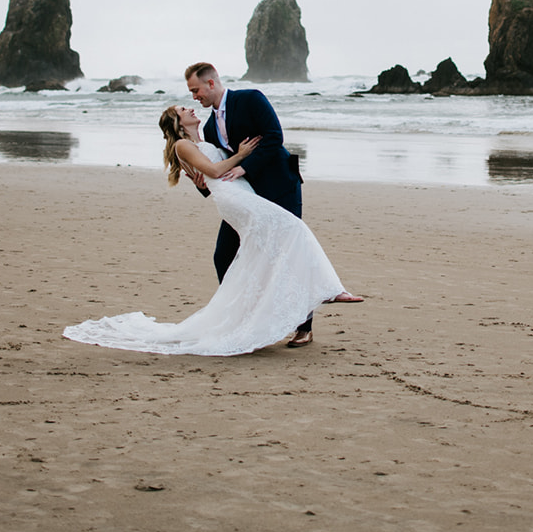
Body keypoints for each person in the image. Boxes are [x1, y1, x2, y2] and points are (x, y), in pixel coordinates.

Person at [60, 105, 360, 355]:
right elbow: (216, 172)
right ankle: (329, 291)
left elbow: (210, 172)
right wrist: (243, 155)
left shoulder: (204, 139)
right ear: (177, 123)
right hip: (235, 198)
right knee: (294, 230)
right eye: (183, 109)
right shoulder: (182, 145)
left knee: (267, 249)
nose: (191, 107)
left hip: (243, 195)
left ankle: (281, 309)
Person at [183, 61, 360, 345]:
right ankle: (239, 318)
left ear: (211, 83)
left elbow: (275, 137)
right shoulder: (210, 128)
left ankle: (305, 326)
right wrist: (202, 184)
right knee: (223, 254)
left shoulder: (250, 99)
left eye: (196, 90)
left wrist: (246, 167)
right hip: (245, 200)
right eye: (192, 93)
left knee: (286, 253)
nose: (194, 97)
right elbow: (219, 171)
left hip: (280, 187)